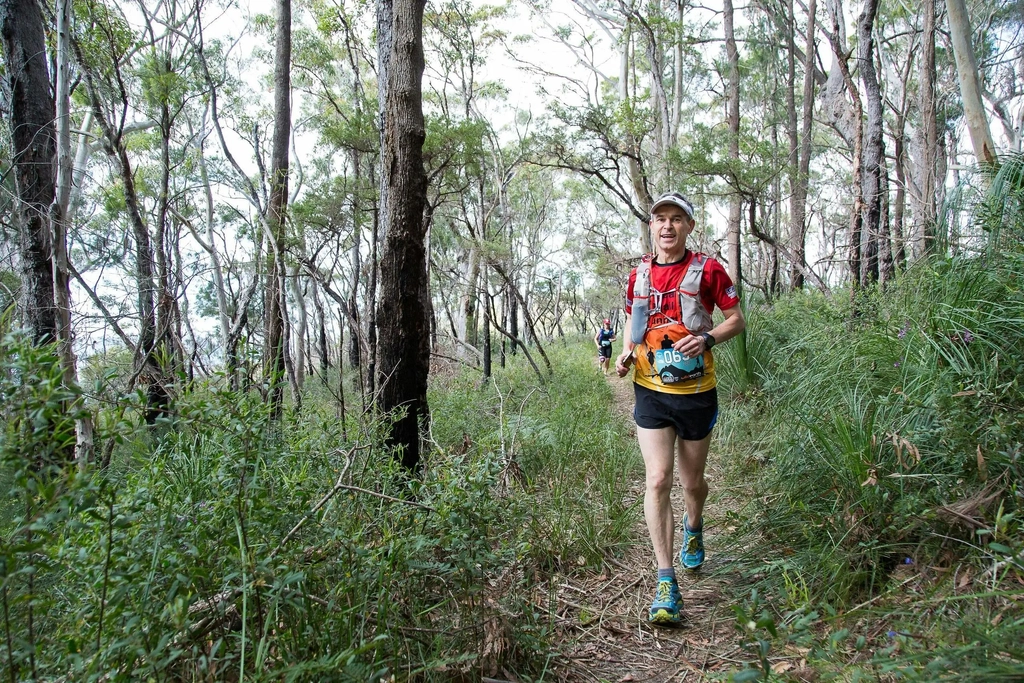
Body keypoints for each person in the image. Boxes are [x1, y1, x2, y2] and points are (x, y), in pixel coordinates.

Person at [615, 191, 746, 626]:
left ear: (688, 227)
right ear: (651, 227)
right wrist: (625, 353)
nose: (667, 226)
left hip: (696, 393)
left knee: (692, 484)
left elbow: (735, 319)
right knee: (657, 479)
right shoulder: (637, 275)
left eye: (676, 219)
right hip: (649, 391)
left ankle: (694, 524)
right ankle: (666, 582)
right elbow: (634, 330)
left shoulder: (707, 269)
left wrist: (707, 338)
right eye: (660, 219)